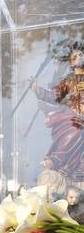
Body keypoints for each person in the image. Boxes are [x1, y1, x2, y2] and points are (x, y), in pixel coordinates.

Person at [35, 42, 84, 185]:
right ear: (71, 61)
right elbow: (55, 96)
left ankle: (71, 167)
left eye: (80, 55)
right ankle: (55, 160)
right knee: (75, 127)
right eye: (75, 56)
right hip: (72, 115)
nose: (78, 58)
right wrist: (39, 91)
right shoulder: (69, 80)